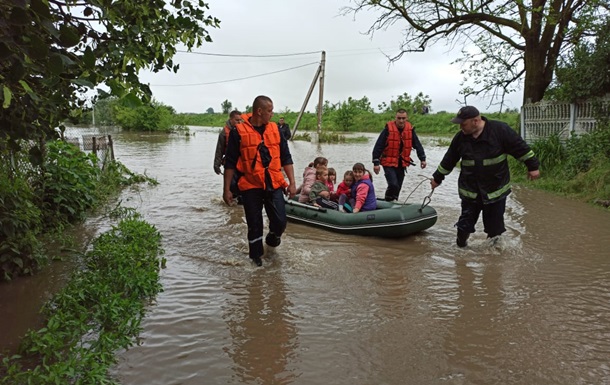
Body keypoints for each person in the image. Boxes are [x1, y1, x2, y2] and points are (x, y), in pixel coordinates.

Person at [430, 106, 541, 247]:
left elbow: (520, 148)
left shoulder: (500, 130)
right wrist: (437, 178)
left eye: (463, 124)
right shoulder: (460, 138)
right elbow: (449, 159)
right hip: (470, 191)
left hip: (496, 190)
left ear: (475, 121)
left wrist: (533, 167)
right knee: (464, 224)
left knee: (495, 228)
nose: (460, 128)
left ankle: (492, 258)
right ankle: (460, 250)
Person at [223, 96, 297, 266]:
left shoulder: (276, 130)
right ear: (259, 111)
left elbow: (286, 158)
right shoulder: (238, 132)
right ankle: (256, 263)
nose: (272, 114)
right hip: (250, 185)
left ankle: (272, 240)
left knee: (280, 222)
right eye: (270, 111)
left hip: (274, 182)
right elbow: (230, 163)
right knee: (254, 224)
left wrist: (292, 182)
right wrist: (226, 189)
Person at [372, 108, 428, 202]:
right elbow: (378, 146)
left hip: (401, 163)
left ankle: (393, 201)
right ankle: (388, 200)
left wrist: (422, 159)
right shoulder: (388, 130)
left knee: (398, 186)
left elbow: (417, 145)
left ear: (406, 118)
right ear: (395, 118)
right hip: (388, 162)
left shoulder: (410, 130)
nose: (401, 120)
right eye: (399, 118)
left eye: (403, 118)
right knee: (393, 184)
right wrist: (376, 163)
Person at [214, 110, 242, 201]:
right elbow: (219, 149)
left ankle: (240, 205)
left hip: (242, 164)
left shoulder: (243, 131)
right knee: (232, 185)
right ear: (231, 119)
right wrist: (216, 164)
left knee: (243, 186)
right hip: (230, 164)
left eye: (240, 120)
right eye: (237, 120)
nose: (239, 122)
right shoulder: (224, 133)